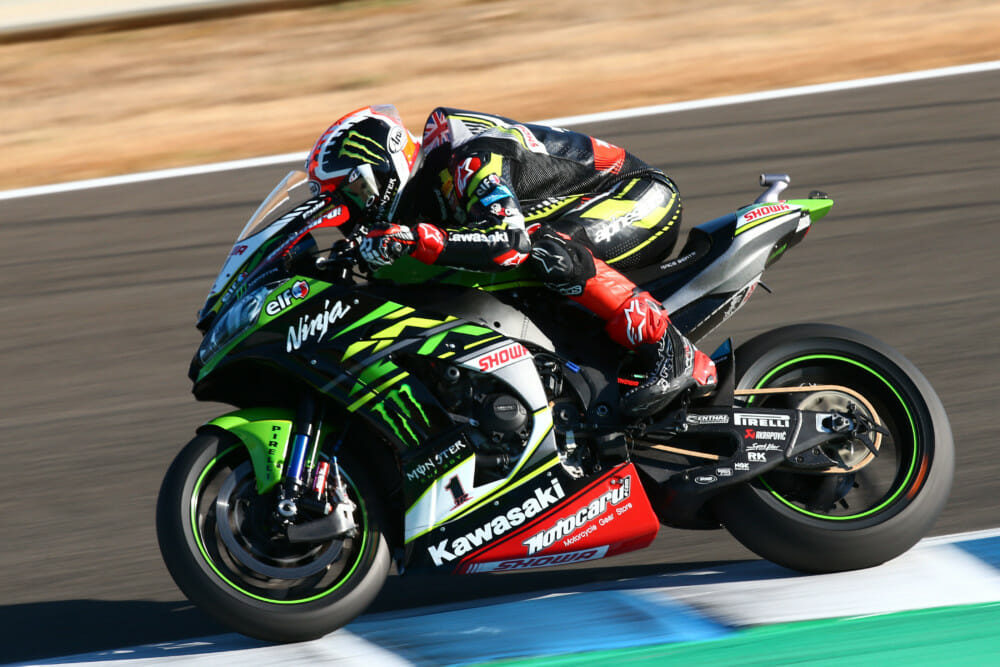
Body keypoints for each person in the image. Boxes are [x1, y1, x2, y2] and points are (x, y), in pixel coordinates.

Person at [306, 104, 716, 417]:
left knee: (544, 247)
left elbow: (509, 242)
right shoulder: (417, 205)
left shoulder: (468, 158)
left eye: (356, 190)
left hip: (638, 195)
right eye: (341, 203)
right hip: (570, 218)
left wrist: (417, 239)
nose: (353, 210)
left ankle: (669, 347)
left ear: (388, 165)